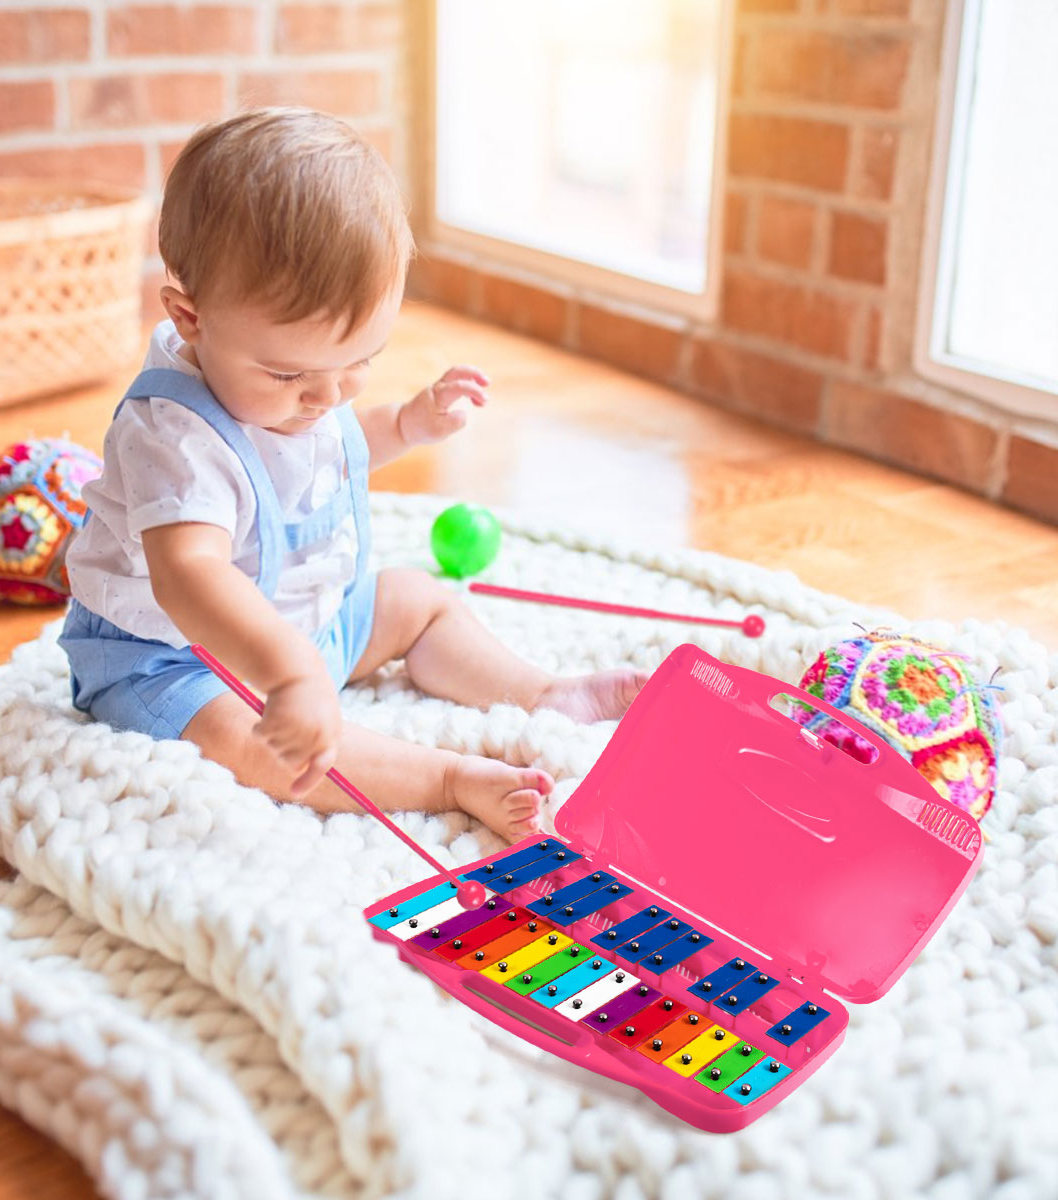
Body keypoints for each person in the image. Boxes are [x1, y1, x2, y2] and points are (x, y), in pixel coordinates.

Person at [59, 108, 646, 841]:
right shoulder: (172, 435)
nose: (327, 397)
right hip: (173, 664)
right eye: (290, 373)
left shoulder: (308, 389)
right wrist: (288, 674)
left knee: (416, 599)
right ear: (190, 320)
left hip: (309, 631)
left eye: (360, 362)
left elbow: (331, 446)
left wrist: (404, 424)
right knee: (247, 746)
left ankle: (542, 691)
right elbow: (190, 574)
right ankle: (445, 777)